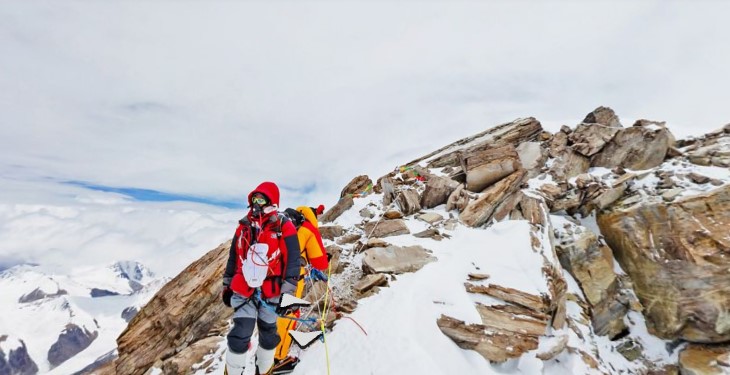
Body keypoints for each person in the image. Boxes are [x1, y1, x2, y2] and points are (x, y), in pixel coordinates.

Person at [222, 182, 302, 375]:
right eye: (254, 199)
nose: (256, 203)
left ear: (271, 201)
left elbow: (293, 257)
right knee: (240, 332)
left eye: (261, 199)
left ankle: (264, 371)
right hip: (244, 288)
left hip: (272, 291)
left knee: (268, 334)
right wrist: (227, 285)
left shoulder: (284, 225)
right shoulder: (243, 226)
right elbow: (234, 257)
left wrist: (288, 287)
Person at [272, 204, 329, 374]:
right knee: (287, 314)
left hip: (271, 276)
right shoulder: (307, 229)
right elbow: (321, 263)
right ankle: (278, 359)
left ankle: (265, 351)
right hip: (293, 279)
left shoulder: (284, 225)